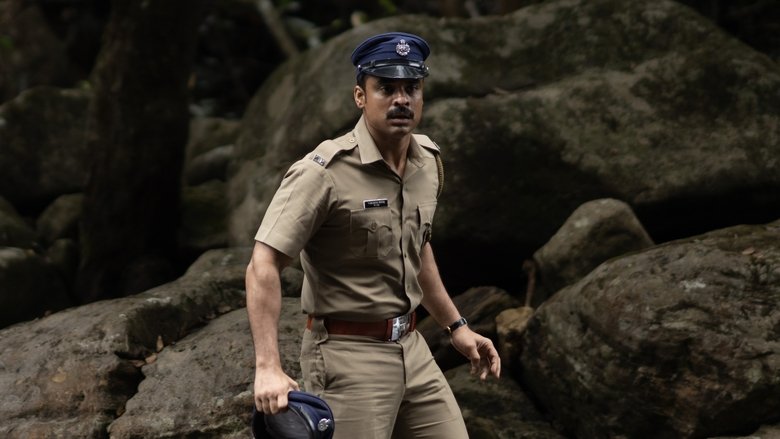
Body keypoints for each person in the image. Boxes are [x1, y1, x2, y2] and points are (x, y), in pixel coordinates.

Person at [246, 31, 501, 438]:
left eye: (411, 88)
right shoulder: (322, 173)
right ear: (360, 97)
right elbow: (263, 263)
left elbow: (417, 248)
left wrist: (457, 327)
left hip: (413, 348)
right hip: (347, 357)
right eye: (386, 88)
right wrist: (267, 367)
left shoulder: (427, 162)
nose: (401, 99)